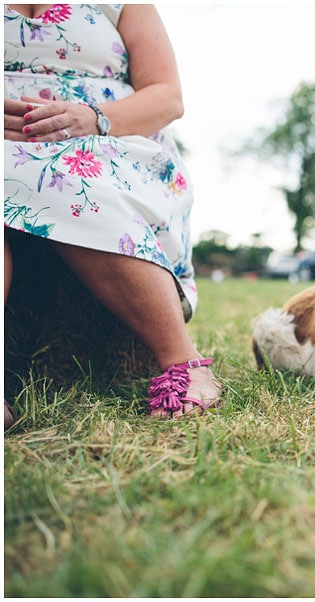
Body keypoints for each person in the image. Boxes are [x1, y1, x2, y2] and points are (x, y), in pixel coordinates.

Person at [4, 4, 222, 429]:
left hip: (108, 140)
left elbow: (167, 94)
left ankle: (183, 359)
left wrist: (94, 119)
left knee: (65, 177)